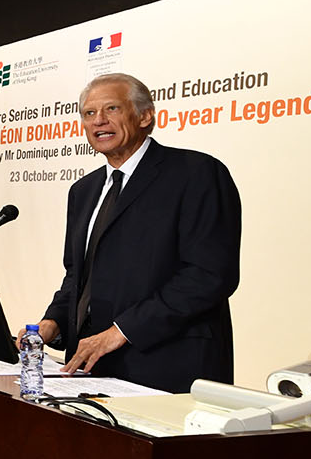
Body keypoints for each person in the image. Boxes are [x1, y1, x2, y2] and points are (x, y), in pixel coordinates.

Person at [28, 73, 240, 394]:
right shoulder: (83, 191)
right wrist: (51, 323)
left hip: (168, 368)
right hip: (90, 366)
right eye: (89, 113)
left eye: (111, 108)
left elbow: (209, 275)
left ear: (144, 116)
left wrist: (121, 331)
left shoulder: (196, 173)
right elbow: (79, 277)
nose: (99, 120)